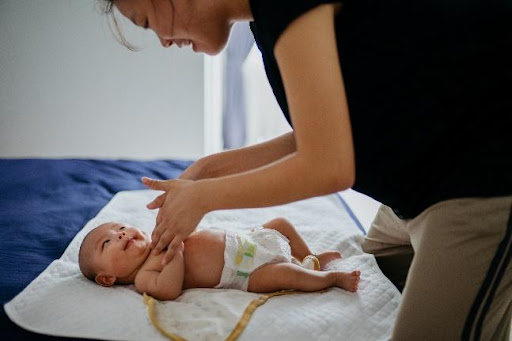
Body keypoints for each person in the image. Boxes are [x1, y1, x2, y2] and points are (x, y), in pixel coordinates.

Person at [100, 0, 512, 339]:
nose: (165, 41)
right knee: (367, 282)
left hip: (479, 173)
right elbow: (324, 133)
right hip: (417, 183)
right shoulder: (269, 20)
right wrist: (210, 169)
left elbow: (329, 166)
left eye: (149, 21)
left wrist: (205, 198)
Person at [78, 218, 360, 300]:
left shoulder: (160, 236)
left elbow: (195, 230)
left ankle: (310, 257)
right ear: (107, 278)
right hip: (246, 271)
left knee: (281, 225)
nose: (121, 235)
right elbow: (168, 289)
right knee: (285, 274)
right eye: (107, 242)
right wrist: (175, 255)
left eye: (121, 228)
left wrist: (183, 226)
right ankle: (329, 278)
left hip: (248, 241)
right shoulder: (143, 277)